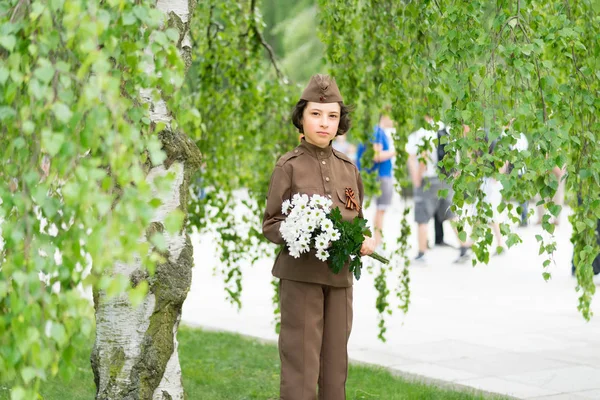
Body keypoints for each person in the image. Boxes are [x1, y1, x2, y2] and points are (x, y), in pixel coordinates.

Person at [262, 74, 376, 399]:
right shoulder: (289, 166)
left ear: (340, 121)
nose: (324, 123)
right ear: (301, 116)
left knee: (335, 367)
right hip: (301, 281)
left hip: (340, 281)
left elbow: (357, 220)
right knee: (302, 366)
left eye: (332, 115)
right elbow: (271, 223)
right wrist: (302, 232)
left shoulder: (349, 169)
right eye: (316, 114)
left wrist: (363, 240)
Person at [406, 117, 471, 264]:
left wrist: (417, 177)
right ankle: (464, 247)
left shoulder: (423, 133)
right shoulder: (447, 131)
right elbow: (457, 157)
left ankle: (421, 253)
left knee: (422, 216)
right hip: (446, 179)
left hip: (428, 180)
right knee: (452, 215)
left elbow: (422, 156)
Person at [355, 110, 396, 248]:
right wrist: (396, 151)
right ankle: (377, 242)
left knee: (379, 209)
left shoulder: (375, 131)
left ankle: (377, 240)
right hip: (381, 175)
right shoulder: (377, 132)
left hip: (377, 175)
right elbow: (376, 155)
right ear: (385, 116)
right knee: (380, 209)